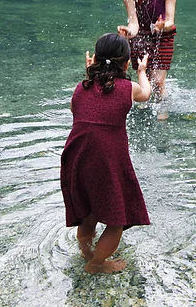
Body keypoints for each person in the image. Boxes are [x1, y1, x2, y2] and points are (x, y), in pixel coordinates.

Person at [60, 33, 152, 273]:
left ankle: (88, 253)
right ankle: (96, 264)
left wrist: (89, 75)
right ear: (126, 63)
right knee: (116, 221)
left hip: (75, 157)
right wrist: (142, 71)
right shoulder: (127, 88)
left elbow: (78, 110)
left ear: (95, 59)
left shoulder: (80, 88)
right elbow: (146, 94)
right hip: (106, 159)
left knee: (87, 215)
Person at [117, 0, 177, 119]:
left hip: (163, 35)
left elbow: (171, 20)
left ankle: (161, 107)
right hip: (140, 36)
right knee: (144, 74)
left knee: (158, 81)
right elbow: (134, 22)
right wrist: (129, 31)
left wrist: (162, 26)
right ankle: (145, 103)